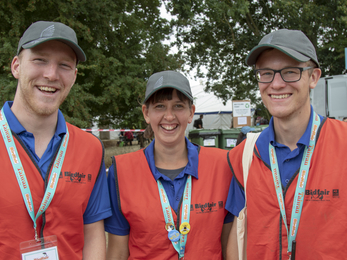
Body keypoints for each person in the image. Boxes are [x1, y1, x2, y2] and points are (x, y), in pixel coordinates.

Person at [225, 29, 347, 259]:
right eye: (266, 73)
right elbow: (235, 232)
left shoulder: (343, 144)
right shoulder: (244, 156)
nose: (276, 84)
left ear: (313, 77)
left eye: (290, 72)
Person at [0, 21, 112, 259]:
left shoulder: (90, 148)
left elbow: (92, 233)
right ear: (16, 66)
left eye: (64, 65)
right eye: (40, 60)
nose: (51, 74)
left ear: (74, 76)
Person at [105, 70, 233, 259]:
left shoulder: (222, 166)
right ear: (146, 113)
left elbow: (229, 246)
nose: (170, 116)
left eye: (178, 106)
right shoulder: (121, 172)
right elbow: (117, 251)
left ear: (191, 113)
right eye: (160, 107)